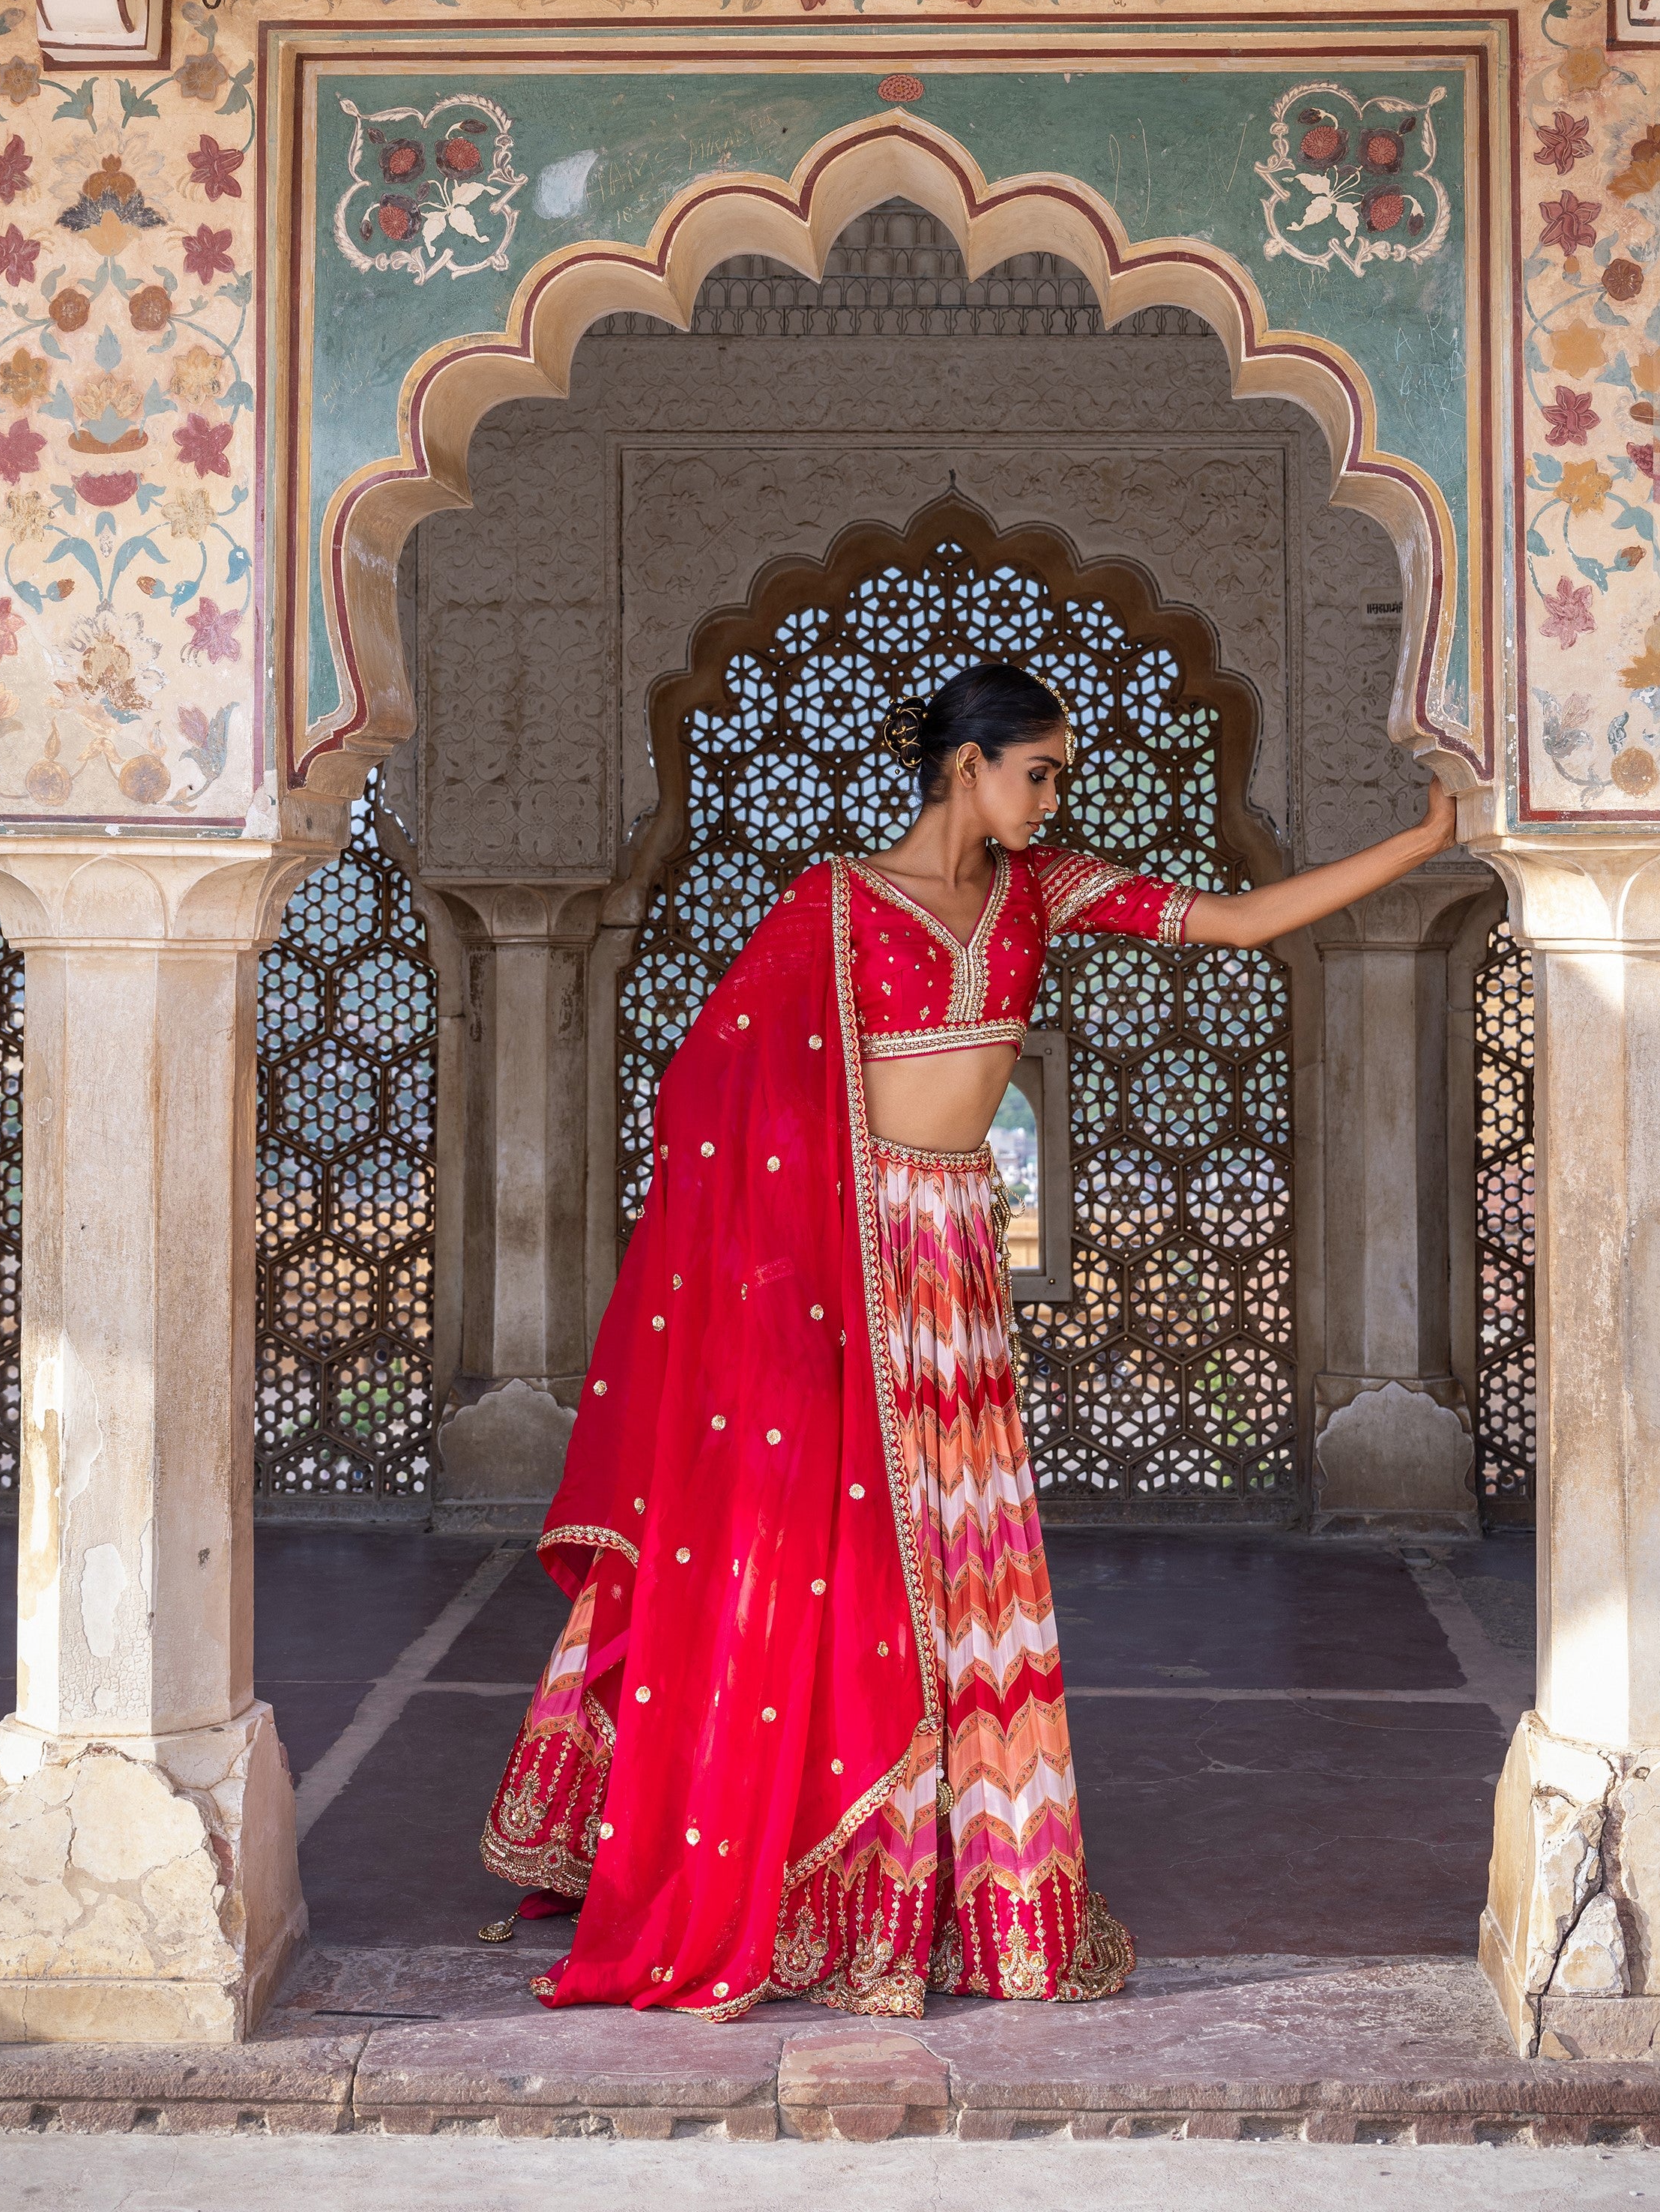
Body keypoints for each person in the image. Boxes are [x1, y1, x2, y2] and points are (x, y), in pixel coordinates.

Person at [480, 662, 1458, 2018]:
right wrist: (771, 1272)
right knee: (838, 1563)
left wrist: (1418, 844)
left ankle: (977, 1891)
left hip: (954, 1262)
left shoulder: (1038, 891)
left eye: (1057, 777)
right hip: (847, 1258)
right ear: (968, 767)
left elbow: (1232, 923)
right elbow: (709, 1075)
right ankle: (826, 1867)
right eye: (1039, 772)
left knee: (964, 1565)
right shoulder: (831, 904)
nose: (1053, 799)